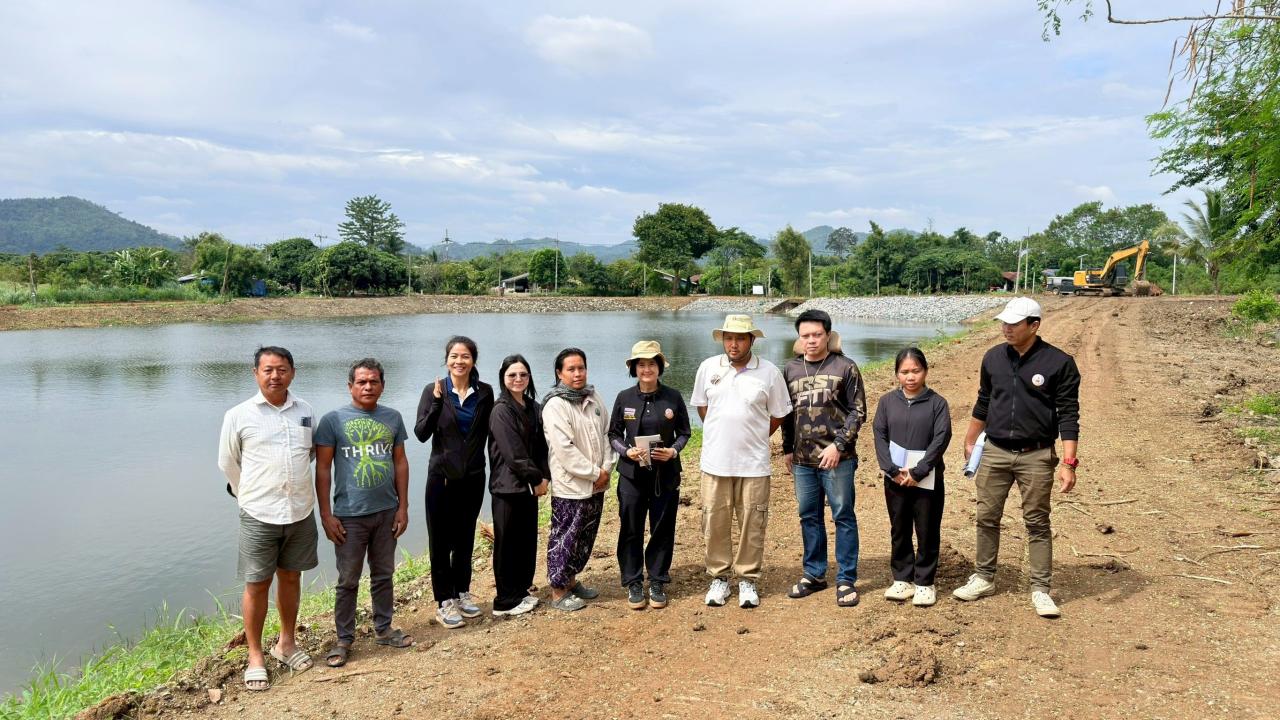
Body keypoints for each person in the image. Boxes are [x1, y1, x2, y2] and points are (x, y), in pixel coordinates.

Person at [954, 297, 1081, 618]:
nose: (1006, 328)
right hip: (994, 450)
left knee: (1037, 522)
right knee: (986, 516)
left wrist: (1068, 463)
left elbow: (1068, 414)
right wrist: (970, 440)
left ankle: (1040, 588)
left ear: (1034, 325)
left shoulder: (1059, 363)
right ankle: (983, 577)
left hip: (1036, 454)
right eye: (1004, 322)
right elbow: (984, 400)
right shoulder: (993, 358)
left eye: (1014, 323)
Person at [217, 346, 318, 691]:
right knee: (257, 584)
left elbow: (310, 454)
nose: (275, 376)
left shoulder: (304, 411)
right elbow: (227, 463)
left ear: (292, 372)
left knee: (291, 577)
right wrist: (246, 494)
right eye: (268, 370)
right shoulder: (239, 415)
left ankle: (286, 643)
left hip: (300, 510)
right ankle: (256, 654)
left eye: (282, 369)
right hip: (259, 513)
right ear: (256, 373)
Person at [314, 358, 413, 667]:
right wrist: (326, 515)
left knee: (384, 574)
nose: (368, 386)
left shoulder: (393, 418)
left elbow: (400, 462)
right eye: (361, 382)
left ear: (382, 385)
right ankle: (344, 638)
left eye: (374, 381)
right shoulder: (333, 421)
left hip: (386, 512)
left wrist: (403, 507)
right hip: (349, 515)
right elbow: (323, 469)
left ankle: (383, 628)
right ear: (350, 386)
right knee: (348, 579)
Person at [691, 315, 792, 609]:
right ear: (723, 340)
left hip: (754, 464)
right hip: (715, 462)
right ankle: (719, 578)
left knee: (753, 522)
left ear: (752, 340)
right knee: (714, 521)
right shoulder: (708, 368)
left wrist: (757, 434)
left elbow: (778, 414)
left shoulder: (769, 372)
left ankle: (747, 578)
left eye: (740, 338)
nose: (733, 344)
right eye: (729, 338)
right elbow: (703, 409)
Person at [781, 309, 867, 607]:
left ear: (828, 336)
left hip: (837, 459)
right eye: (805, 336)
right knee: (809, 517)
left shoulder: (845, 367)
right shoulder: (791, 369)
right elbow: (787, 413)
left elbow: (858, 412)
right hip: (803, 461)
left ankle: (846, 578)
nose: (811, 341)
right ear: (799, 338)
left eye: (817, 335)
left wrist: (839, 446)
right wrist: (787, 448)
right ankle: (815, 574)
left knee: (843, 515)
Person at [415, 336, 495, 629]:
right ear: (446, 360)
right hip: (442, 479)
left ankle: (461, 592)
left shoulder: (484, 393)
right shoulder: (434, 391)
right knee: (440, 541)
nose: (459, 361)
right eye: (454, 356)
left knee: (464, 539)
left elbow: (492, 434)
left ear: (473, 360)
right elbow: (421, 433)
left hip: (473, 478)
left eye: (465, 356)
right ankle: (443, 600)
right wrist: (436, 402)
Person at [608, 341, 691, 610]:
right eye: (641, 364)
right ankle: (632, 580)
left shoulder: (673, 397)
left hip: (665, 475)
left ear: (659, 368)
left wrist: (674, 451)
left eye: (651, 364)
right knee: (630, 527)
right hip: (632, 475)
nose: (646, 369)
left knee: (662, 528)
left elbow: (685, 432)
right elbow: (613, 434)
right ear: (634, 368)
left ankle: (657, 580)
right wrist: (626, 451)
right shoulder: (624, 397)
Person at [872, 347, 952, 607]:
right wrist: (892, 470)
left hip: (926, 478)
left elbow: (941, 439)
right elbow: (880, 435)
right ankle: (902, 578)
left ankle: (925, 582)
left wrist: (918, 471)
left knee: (927, 528)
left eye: (915, 371)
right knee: (899, 527)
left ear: (925, 371)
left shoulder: (937, 403)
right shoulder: (886, 402)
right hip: (894, 478)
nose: (910, 377)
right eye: (904, 372)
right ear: (896, 374)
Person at [542, 348, 616, 612]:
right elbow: (564, 450)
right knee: (565, 537)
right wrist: (596, 473)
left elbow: (608, 433)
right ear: (559, 373)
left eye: (581, 368)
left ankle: (572, 582)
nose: (577, 373)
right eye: (571, 369)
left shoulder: (594, 397)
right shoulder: (555, 405)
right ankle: (558, 590)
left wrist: (607, 467)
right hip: (571, 487)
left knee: (585, 536)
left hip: (597, 483)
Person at [487, 354, 550, 617]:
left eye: (523, 374)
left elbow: (542, 448)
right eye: (512, 375)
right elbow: (513, 454)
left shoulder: (533, 407)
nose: (518, 379)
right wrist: (536, 478)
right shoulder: (501, 409)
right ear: (503, 378)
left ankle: (521, 589)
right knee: (507, 543)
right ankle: (505, 600)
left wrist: (544, 475)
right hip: (507, 487)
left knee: (525, 541)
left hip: (529, 487)